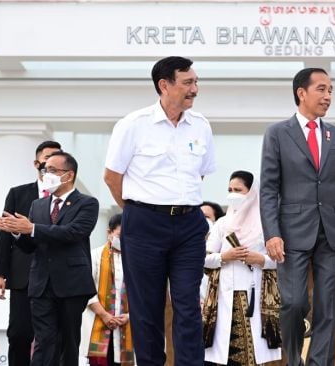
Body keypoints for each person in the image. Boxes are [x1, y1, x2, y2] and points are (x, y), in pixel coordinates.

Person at [104, 56, 216, 366]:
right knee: (147, 308)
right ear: (164, 85)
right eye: (188, 83)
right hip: (143, 225)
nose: (195, 89)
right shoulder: (133, 125)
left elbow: (200, 174)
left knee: (188, 304)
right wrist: (140, 209)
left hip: (189, 225)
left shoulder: (201, 126)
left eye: (196, 82)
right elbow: (112, 177)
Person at [259, 67, 335, 366]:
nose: (328, 96)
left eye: (330, 90)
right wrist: (272, 232)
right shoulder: (277, 133)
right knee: (293, 303)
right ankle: (294, 360)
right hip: (291, 233)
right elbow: (268, 188)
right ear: (301, 93)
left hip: (333, 232)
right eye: (321, 89)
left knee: (327, 308)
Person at [0, 151, 98, 366]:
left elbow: (72, 233)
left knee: (68, 341)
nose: (45, 174)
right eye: (44, 170)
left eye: (51, 170)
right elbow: (30, 245)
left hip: (72, 284)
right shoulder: (38, 205)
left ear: (68, 175)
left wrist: (32, 228)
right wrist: (16, 231)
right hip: (40, 283)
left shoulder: (87, 203)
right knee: (43, 340)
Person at [0, 140, 61, 366]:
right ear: (36, 163)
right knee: (19, 334)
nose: (50, 164)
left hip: (56, 277)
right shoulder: (18, 194)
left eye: (56, 160)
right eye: (47, 159)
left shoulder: (65, 197)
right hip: (24, 276)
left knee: (52, 337)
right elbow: (5, 235)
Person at [202, 170, 281, 365]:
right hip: (224, 298)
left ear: (252, 192)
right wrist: (224, 257)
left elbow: (281, 260)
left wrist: (260, 259)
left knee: (252, 354)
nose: (233, 194)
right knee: (226, 355)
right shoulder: (222, 224)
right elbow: (203, 258)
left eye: (239, 190)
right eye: (230, 189)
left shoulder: (268, 224)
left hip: (256, 297)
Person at [80, 214, 134, 366]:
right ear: (109, 233)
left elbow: (143, 295)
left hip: (127, 324)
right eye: (119, 235)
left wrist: (129, 316)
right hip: (98, 321)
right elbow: (87, 289)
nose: (123, 240)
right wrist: (104, 315)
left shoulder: (137, 260)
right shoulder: (94, 255)